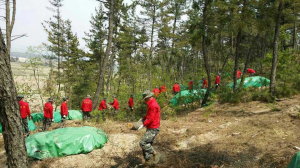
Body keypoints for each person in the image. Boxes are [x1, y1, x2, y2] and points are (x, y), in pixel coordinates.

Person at [140, 90, 161, 165]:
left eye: (145, 98)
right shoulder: (151, 103)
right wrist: (144, 117)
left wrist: (142, 124)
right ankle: (147, 162)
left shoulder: (153, 105)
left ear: (149, 97)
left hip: (153, 128)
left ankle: (155, 154)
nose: (145, 100)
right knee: (147, 145)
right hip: (151, 127)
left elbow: (151, 119)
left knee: (143, 143)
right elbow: (150, 115)